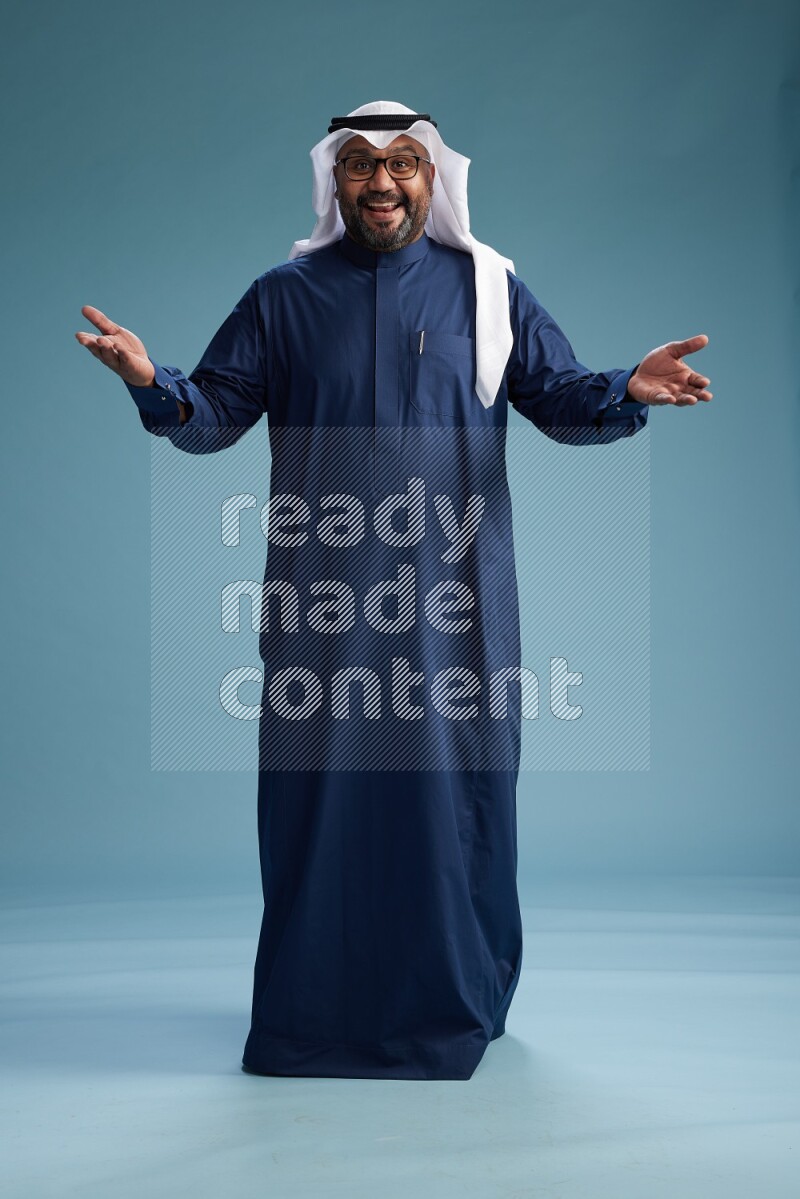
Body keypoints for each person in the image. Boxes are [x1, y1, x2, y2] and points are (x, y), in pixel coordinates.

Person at [75, 101, 712, 1081]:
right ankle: (308, 1019)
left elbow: (557, 396)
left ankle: (450, 1006)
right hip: (321, 609)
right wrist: (145, 378)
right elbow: (209, 412)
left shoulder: (489, 290)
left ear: (433, 179)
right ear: (334, 182)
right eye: (363, 167)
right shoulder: (282, 298)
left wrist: (625, 388)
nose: (382, 182)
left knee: (449, 807)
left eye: (403, 164)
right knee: (317, 811)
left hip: (454, 614)